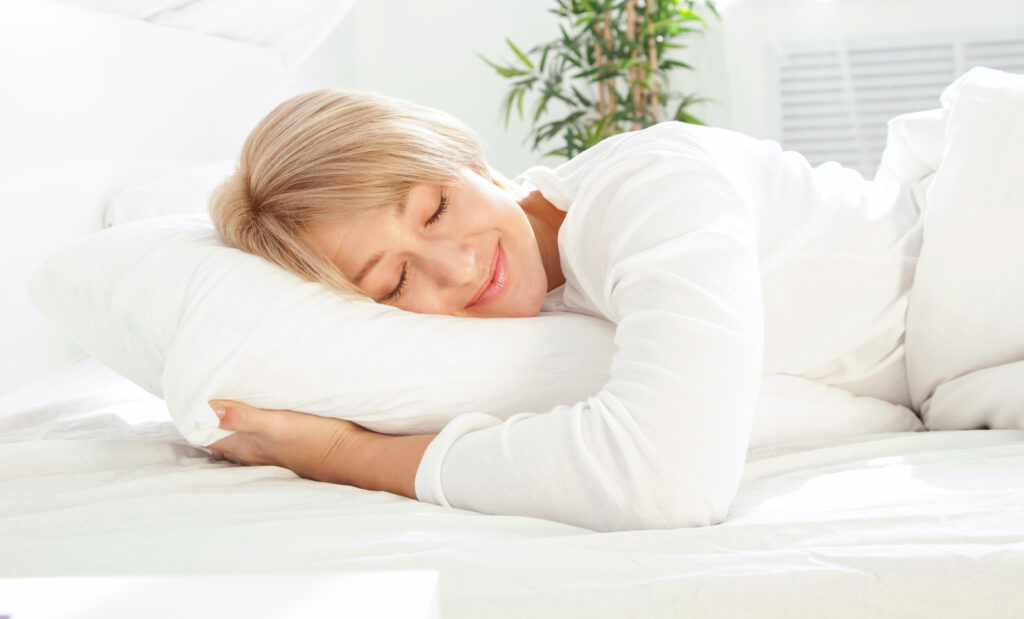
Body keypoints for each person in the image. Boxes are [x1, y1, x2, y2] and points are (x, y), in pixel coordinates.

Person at [205, 89, 922, 531]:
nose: (457, 265)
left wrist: (343, 453)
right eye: (394, 282)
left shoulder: (650, 189)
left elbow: (664, 478)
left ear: (475, 162)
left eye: (436, 209)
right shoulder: (542, 316)